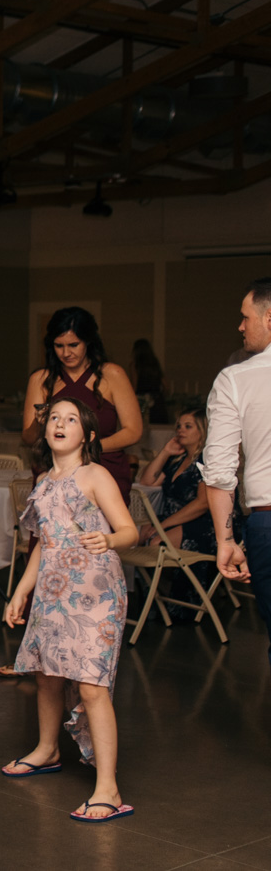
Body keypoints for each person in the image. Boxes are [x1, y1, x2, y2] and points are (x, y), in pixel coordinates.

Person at [2, 396, 138, 821]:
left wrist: (109, 540)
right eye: (54, 418)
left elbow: (130, 530)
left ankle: (108, 789)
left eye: (71, 419)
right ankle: (46, 750)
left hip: (96, 591)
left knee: (93, 685)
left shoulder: (95, 475)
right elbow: (44, 543)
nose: (60, 424)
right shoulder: (42, 481)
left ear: (89, 434)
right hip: (53, 590)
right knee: (47, 675)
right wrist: (21, 590)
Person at [202, 276, 271, 670]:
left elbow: (220, 470)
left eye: (246, 317)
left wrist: (225, 539)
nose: (241, 326)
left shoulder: (236, 379)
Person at [22, 307, 142, 499]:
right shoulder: (40, 379)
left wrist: (85, 448)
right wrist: (39, 421)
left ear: (88, 341)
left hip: (104, 468)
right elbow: (28, 439)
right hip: (55, 470)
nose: (66, 353)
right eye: (59, 346)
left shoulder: (113, 375)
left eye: (73, 345)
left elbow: (133, 431)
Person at [136, 408, 212, 551]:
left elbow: (202, 504)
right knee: (138, 537)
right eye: (179, 426)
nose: (180, 430)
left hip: (202, 521)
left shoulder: (207, 460)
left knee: (157, 544)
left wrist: (163, 526)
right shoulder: (178, 460)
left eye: (188, 426)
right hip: (173, 518)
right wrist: (165, 451)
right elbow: (147, 482)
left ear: (203, 430)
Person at [130, 338, 169, 425]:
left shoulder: (135, 365)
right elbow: (166, 386)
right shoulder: (154, 364)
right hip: (157, 402)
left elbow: (134, 386)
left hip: (142, 402)